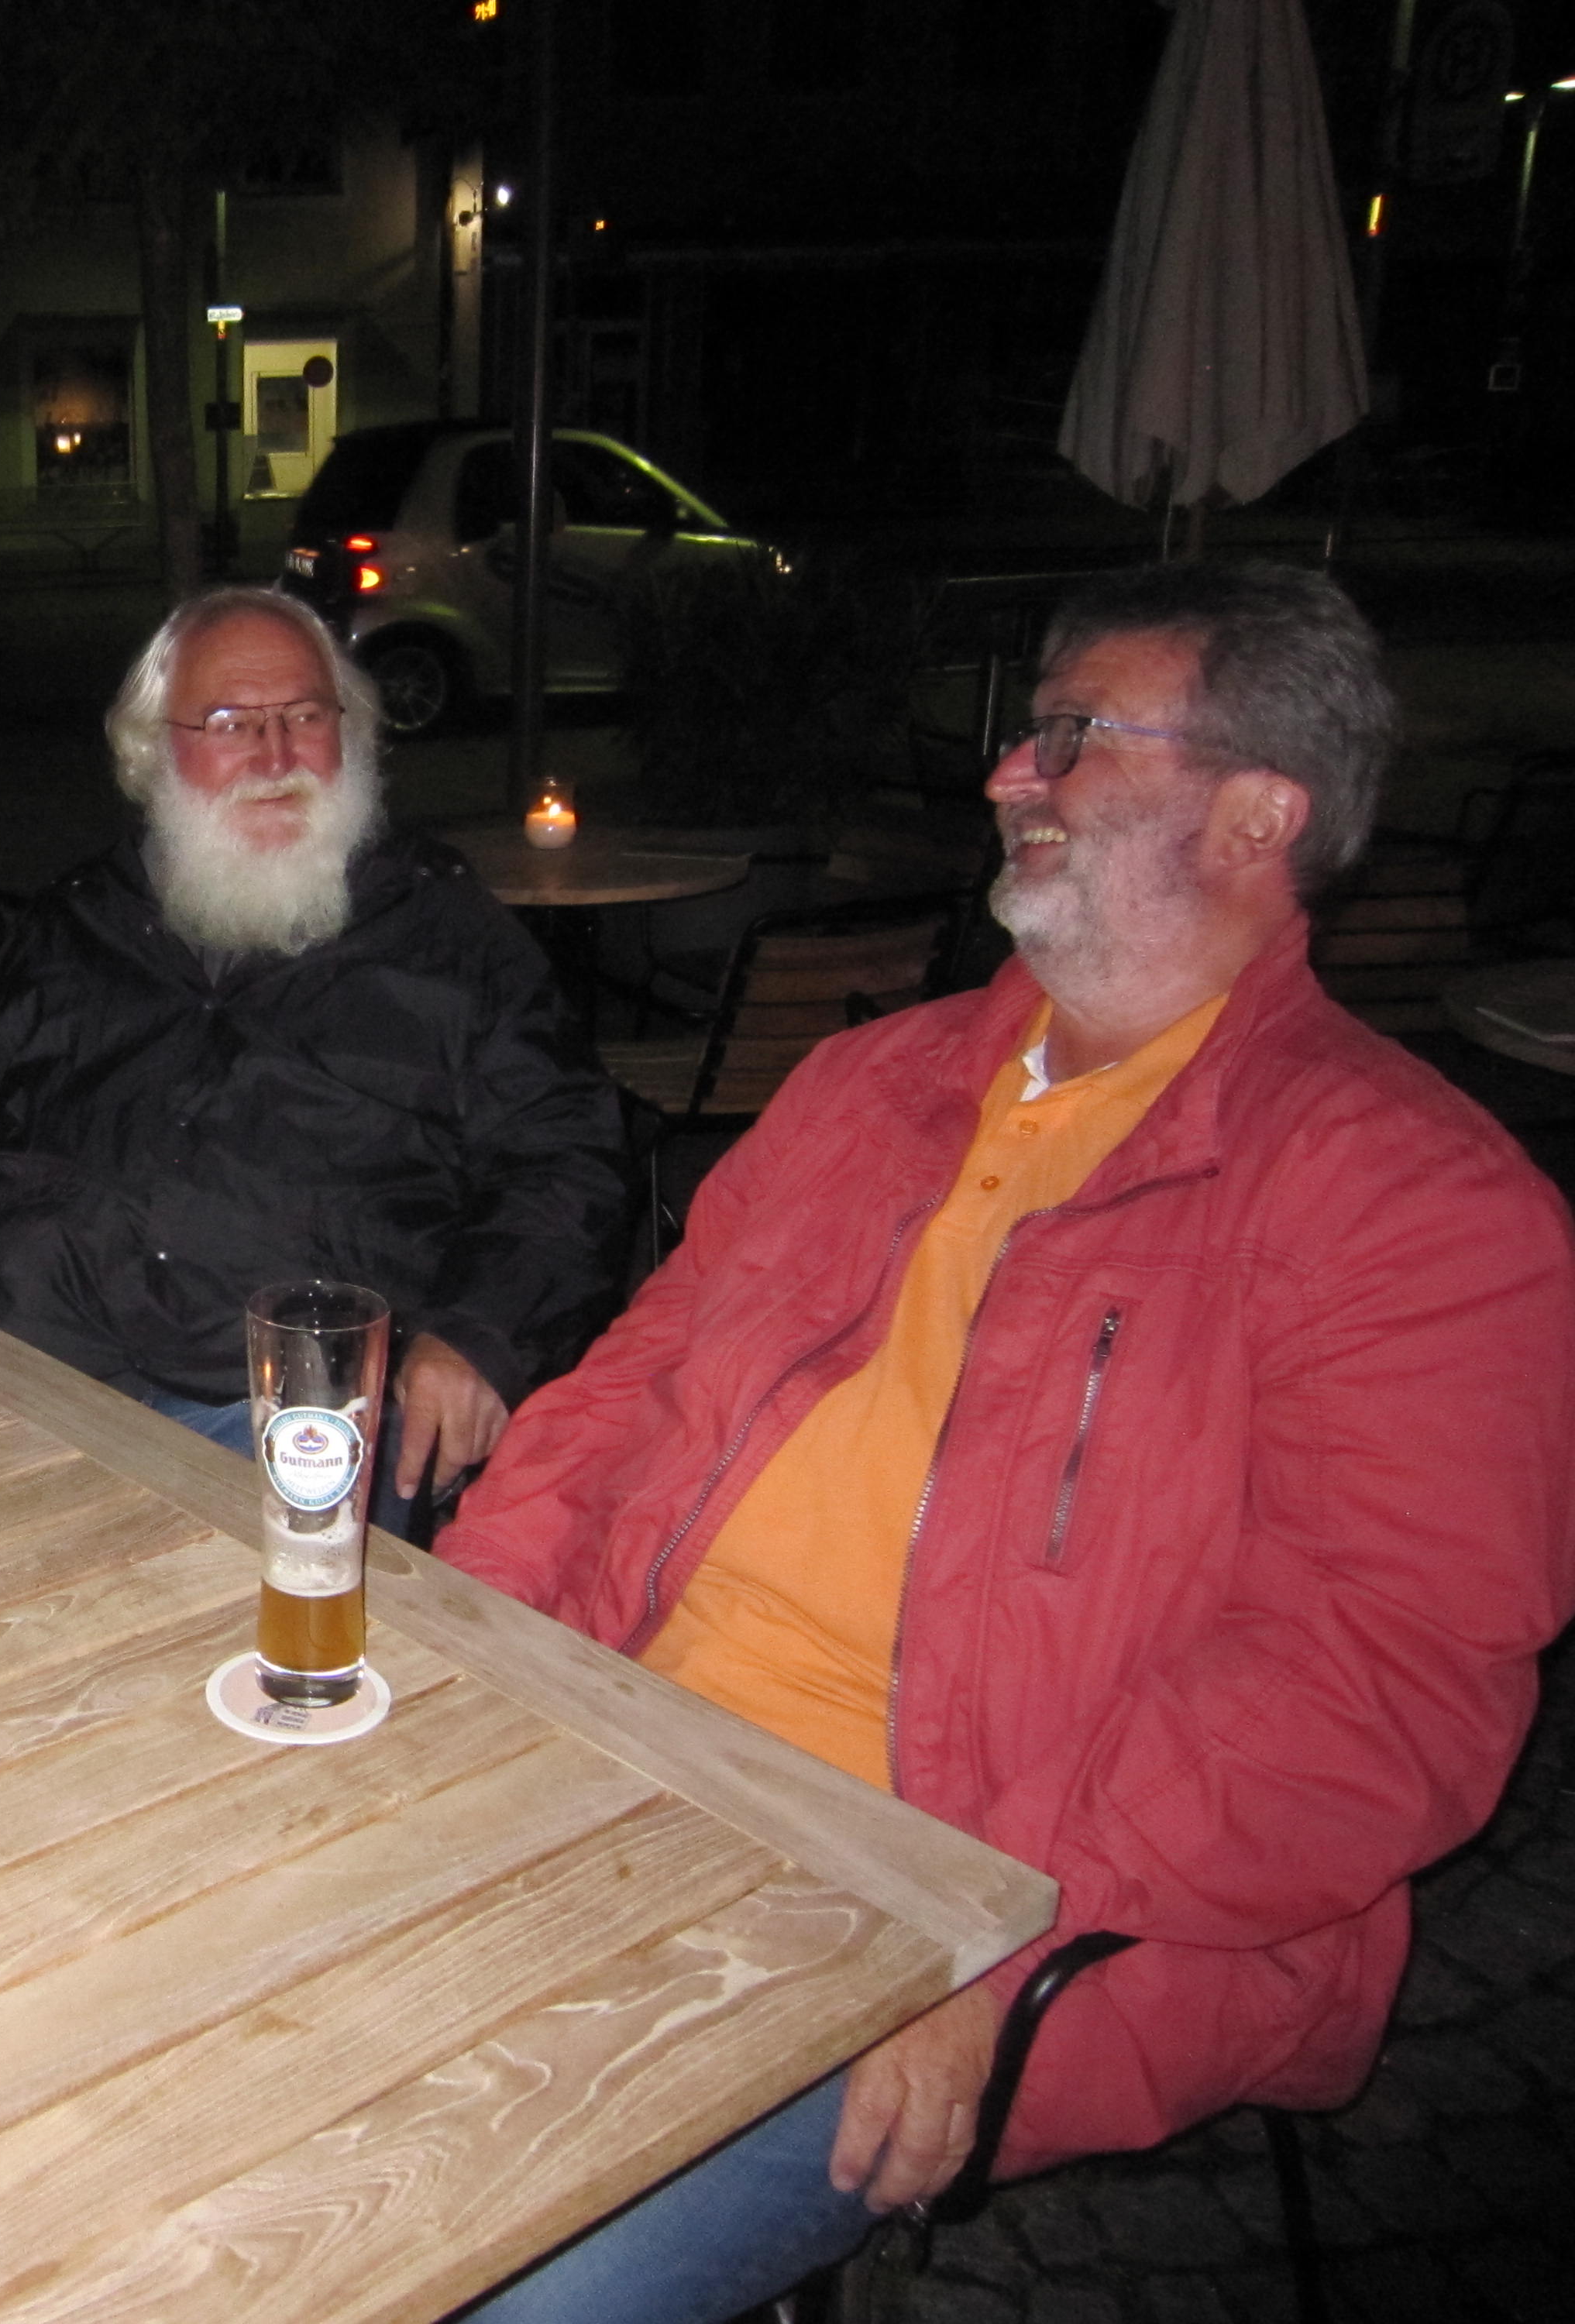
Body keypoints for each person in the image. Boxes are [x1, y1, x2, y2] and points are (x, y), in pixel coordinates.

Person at [436, 562, 1575, 2324]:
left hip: (978, 1889)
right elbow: (618, 1399)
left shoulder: (1412, 1206)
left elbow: (1377, 1687)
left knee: (495, 2276)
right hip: (632, 1748)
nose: (1004, 774)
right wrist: (466, 1650)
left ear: (1258, 813)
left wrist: (989, 1926)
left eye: (1070, 736)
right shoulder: (868, 1084)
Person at [0, 586, 625, 1522]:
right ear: (155, 749)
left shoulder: (444, 934)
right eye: (232, 723)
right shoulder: (75, 924)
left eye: (306, 716)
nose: (276, 758)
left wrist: (481, 1333)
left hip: (288, 1417)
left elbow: (564, 1155)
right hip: (30, 1370)